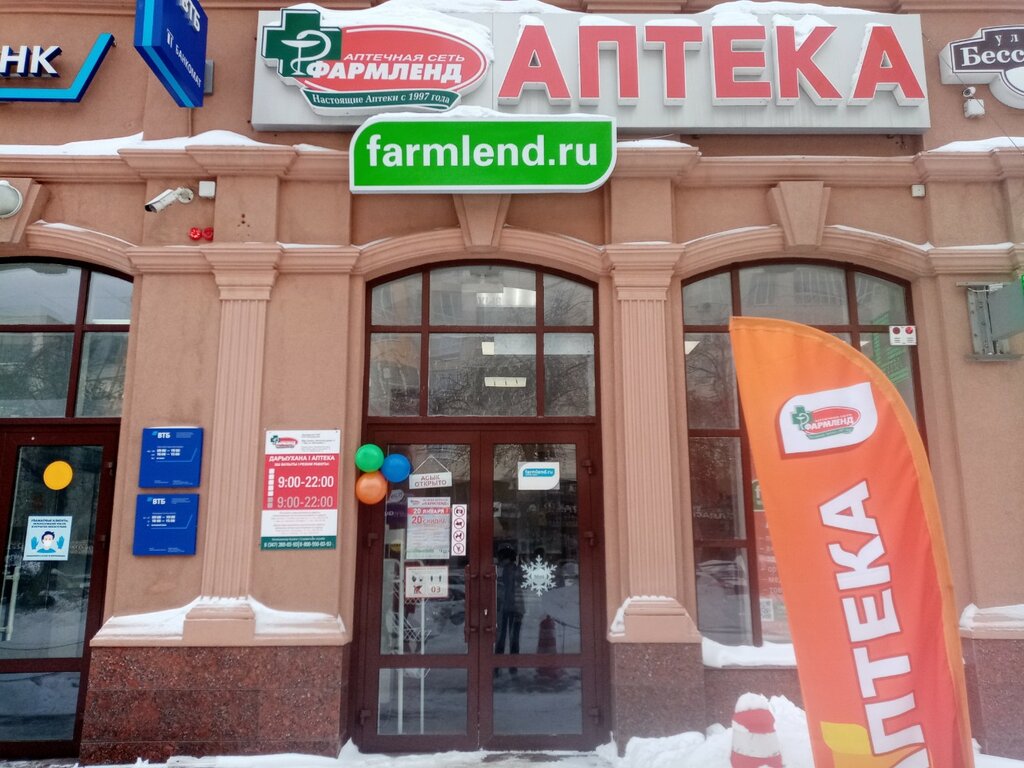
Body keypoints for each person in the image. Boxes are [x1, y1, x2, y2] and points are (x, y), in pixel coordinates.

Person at [494, 546, 523, 658]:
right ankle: (513, 663)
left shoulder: (507, 570)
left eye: (500, 558)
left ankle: (498, 662)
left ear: (505, 558)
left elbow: (507, 590)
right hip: (516, 607)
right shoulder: (516, 569)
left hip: (508, 607)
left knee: (501, 636)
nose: (499, 561)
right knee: (513, 637)